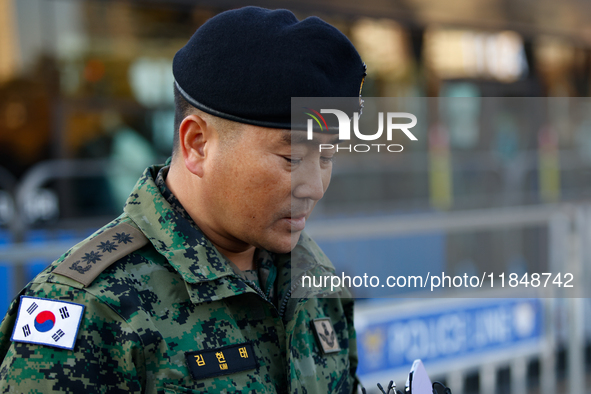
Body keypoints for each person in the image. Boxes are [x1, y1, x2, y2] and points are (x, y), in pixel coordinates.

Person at [0, 6, 366, 393]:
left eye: (326, 157)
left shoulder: (314, 278)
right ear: (197, 145)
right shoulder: (89, 309)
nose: (315, 186)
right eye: (291, 158)